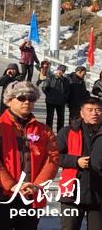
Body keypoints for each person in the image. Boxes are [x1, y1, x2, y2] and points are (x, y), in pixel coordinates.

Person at [0, 81, 59, 230]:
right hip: (3, 195)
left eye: (31, 98)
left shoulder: (44, 130)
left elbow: (52, 160)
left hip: (31, 194)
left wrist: (37, 185)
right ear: (9, 100)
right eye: (21, 98)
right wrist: (12, 185)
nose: (27, 102)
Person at [57, 97, 102, 230]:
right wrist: (75, 161)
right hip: (72, 192)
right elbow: (53, 157)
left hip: (98, 194)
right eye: (90, 110)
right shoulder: (68, 132)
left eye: (98, 110)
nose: (94, 113)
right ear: (82, 113)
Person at [42, 65, 70, 132]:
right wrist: (49, 95)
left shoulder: (65, 80)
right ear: (57, 70)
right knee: (49, 118)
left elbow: (68, 90)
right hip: (50, 101)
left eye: (62, 71)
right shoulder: (50, 77)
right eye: (60, 70)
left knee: (61, 119)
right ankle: (49, 133)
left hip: (61, 101)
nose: (60, 72)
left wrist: (65, 97)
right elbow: (44, 88)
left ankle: (60, 133)